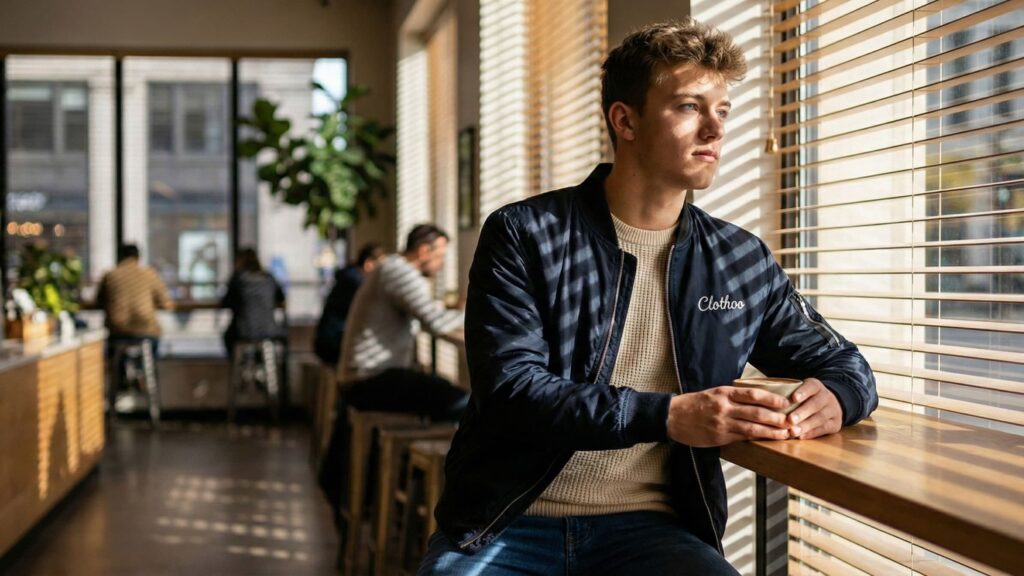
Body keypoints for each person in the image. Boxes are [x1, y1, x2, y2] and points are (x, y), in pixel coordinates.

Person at [419, 19, 879, 575]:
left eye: (724, 111)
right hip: (506, 523)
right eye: (689, 107)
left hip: (651, 529)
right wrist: (667, 415)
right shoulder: (525, 233)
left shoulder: (737, 259)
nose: (715, 129)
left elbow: (843, 362)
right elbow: (514, 391)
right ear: (625, 119)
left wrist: (840, 397)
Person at [318, 224, 467, 521]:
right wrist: (480, 308)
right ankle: (441, 504)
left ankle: (410, 489)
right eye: (440, 256)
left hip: (364, 378)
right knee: (464, 404)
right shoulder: (398, 272)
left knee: (446, 397)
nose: (442, 264)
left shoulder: (390, 270)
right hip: (371, 379)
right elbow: (435, 321)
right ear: (423, 251)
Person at [314, 242, 386, 366]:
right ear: (369, 264)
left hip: (330, 340)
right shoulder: (356, 283)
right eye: (380, 266)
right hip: (335, 342)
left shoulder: (350, 277)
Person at [96, 244, 174, 358]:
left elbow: (99, 301)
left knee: (114, 354)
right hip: (146, 328)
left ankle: (117, 372)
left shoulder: (110, 275)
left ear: (119, 257)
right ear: (138, 257)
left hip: (118, 329)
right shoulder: (150, 274)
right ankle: (150, 370)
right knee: (152, 350)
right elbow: (166, 304)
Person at [220, 247, 287, 357]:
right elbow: (281, 298)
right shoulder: (268, 278)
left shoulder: (238, 279)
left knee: (229, 337)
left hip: (244, 331)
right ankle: (271, 368)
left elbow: (226, 302)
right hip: (270, 330)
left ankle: (240, 367)